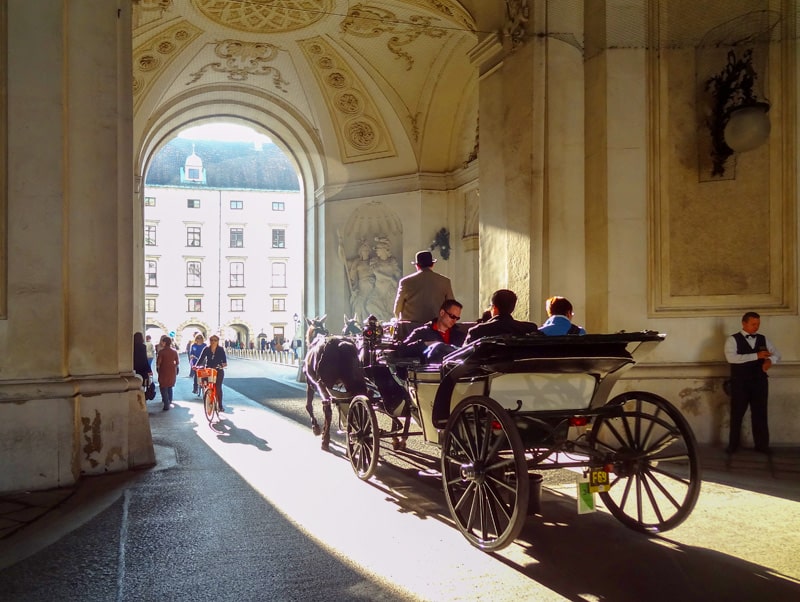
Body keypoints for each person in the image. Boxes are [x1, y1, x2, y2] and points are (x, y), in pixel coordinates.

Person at [723, 311, 780, 455]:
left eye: (758, 324)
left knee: (760, 413)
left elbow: (777, 354)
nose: (756, 327)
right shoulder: (732, 340)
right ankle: (733, 445)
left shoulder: (763, 339)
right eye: (753, 324)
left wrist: (769, 360)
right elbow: (732, 358)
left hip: (760, 382)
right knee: (737, 414)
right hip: (740, 383)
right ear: (744, 323)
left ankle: (762, 445)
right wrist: (756, 355)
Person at [393, 250, 454, 324]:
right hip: (436, 328)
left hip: (411, 329)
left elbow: (397, 309)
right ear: (432, 265)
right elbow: (452, 307)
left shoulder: (405, 282)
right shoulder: (445, 281)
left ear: (417, 266)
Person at [398, 299, 467, 363]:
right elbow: (402, 350)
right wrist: (425, 344)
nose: (454, 320)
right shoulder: (422, 332)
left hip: (453, 372)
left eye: (457, 318)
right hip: (429, 372)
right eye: (452, 316)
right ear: (442, 313)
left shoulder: (459, 336)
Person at [463, 289, 539, 345]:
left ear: (494, 308)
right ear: (512, 308)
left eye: (490, 306)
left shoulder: (477, 331)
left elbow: (461, 357)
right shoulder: (530, 328)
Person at [197, 334, 228, 412]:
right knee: (205, 383)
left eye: (215, 340)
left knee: (218, 387)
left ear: (218, 341)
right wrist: (196, 366)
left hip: (218, 370)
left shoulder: (220, 349)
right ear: (209, 341)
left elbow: (225, 362)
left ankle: (220, 405)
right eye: (211, 340)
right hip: (209, 370)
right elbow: (201, 359)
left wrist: (221, 365)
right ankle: (208, 395)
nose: (213, 342)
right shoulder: (206, 349)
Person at [156, 335, 179, 411]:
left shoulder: (161, 352)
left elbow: (158, 362)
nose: (162, 343)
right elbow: (177, 362)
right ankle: (170, 400)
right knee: (169, 386)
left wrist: (158, 368)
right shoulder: (174, 351)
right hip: (172, 370)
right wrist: (173, 366)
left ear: (165, 343)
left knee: (163, 386)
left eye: (163, 342)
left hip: (163, 370)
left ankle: (166, 404)